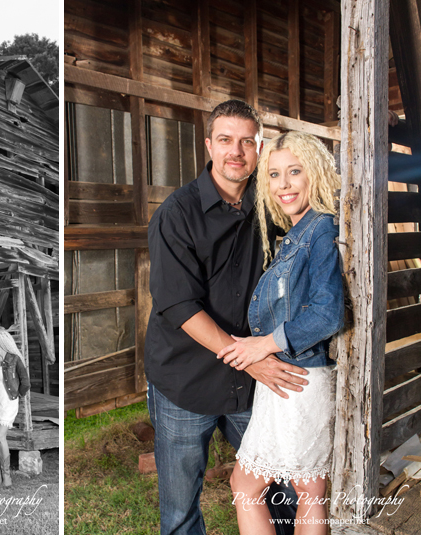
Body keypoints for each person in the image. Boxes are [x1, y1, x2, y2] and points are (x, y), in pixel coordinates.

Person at [146, 99, 305, 535]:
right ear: (209, 146)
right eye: (225, 140)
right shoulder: (176, 214)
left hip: (252, 384)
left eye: (247, 142)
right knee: (180, 510)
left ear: (258, 150)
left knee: (283, 495)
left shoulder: (273, 208)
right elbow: (179, 305)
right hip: (186, 378)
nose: (236, 151)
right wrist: (249, 358)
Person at [219, 131, 344, 535]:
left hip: (298, 379)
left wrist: (262, 346)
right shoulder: (297, 233)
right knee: (300, 487)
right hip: (292, 379)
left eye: (295, 171)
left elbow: (328, 313)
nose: (284, 184)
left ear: (316, 174)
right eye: (274, 174)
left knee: (266, 485)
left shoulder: (320, 229)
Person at [0, 328, 30, 488]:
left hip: (8, 402)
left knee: (1, 435)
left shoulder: (15, 359)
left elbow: (25, 382)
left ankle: (7, 476)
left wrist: (16, 396)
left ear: (1, 342)